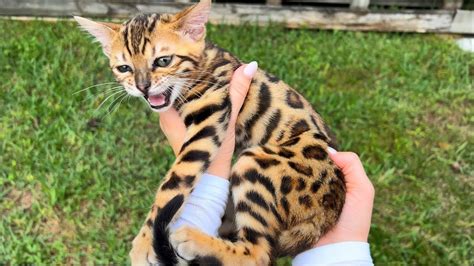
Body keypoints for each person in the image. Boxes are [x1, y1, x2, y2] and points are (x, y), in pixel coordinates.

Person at [159, 62, 375, 265]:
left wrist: (208, 183)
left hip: (298, 175)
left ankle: (252, 253)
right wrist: (342, 243)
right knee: (236, 210)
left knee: (250, 168)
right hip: (310, 202)